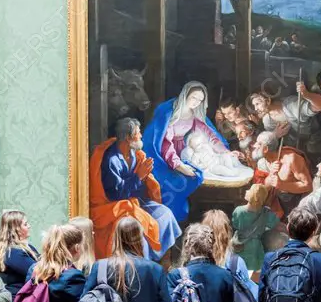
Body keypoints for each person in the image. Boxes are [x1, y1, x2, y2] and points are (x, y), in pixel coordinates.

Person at [143, 81, 236, 222]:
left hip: (182, 151)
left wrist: (225, 152)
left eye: (200, 100)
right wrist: (179, 166)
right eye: (194, 97)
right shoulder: (171, 115)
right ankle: (172, 220)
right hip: (166, 155)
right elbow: (166, 145)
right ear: (185, 95)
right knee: (173, 184)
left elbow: (210, 136)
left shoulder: (194, 116)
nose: (196, 102)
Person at [92, 116, 181, 259]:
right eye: (138, 132)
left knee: (165, 214)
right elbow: (116, 194)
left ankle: (158, 259)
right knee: (138, 229)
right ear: (128, 137)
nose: (141, 135)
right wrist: (139, 177)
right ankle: (143, 262)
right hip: (116, 208)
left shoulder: (134, 153)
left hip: (135, 201)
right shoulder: (111, 160)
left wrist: (145, 178)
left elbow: (140, 188)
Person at [231, 183, 281, 274]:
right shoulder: (266, 212)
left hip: (240, 244)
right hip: (255, 247)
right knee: (255, 272)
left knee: (238, 269)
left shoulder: (239, 211)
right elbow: (274, 223)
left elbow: (235, 225)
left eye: (249, 190)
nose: (247, 191)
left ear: (253, 195)